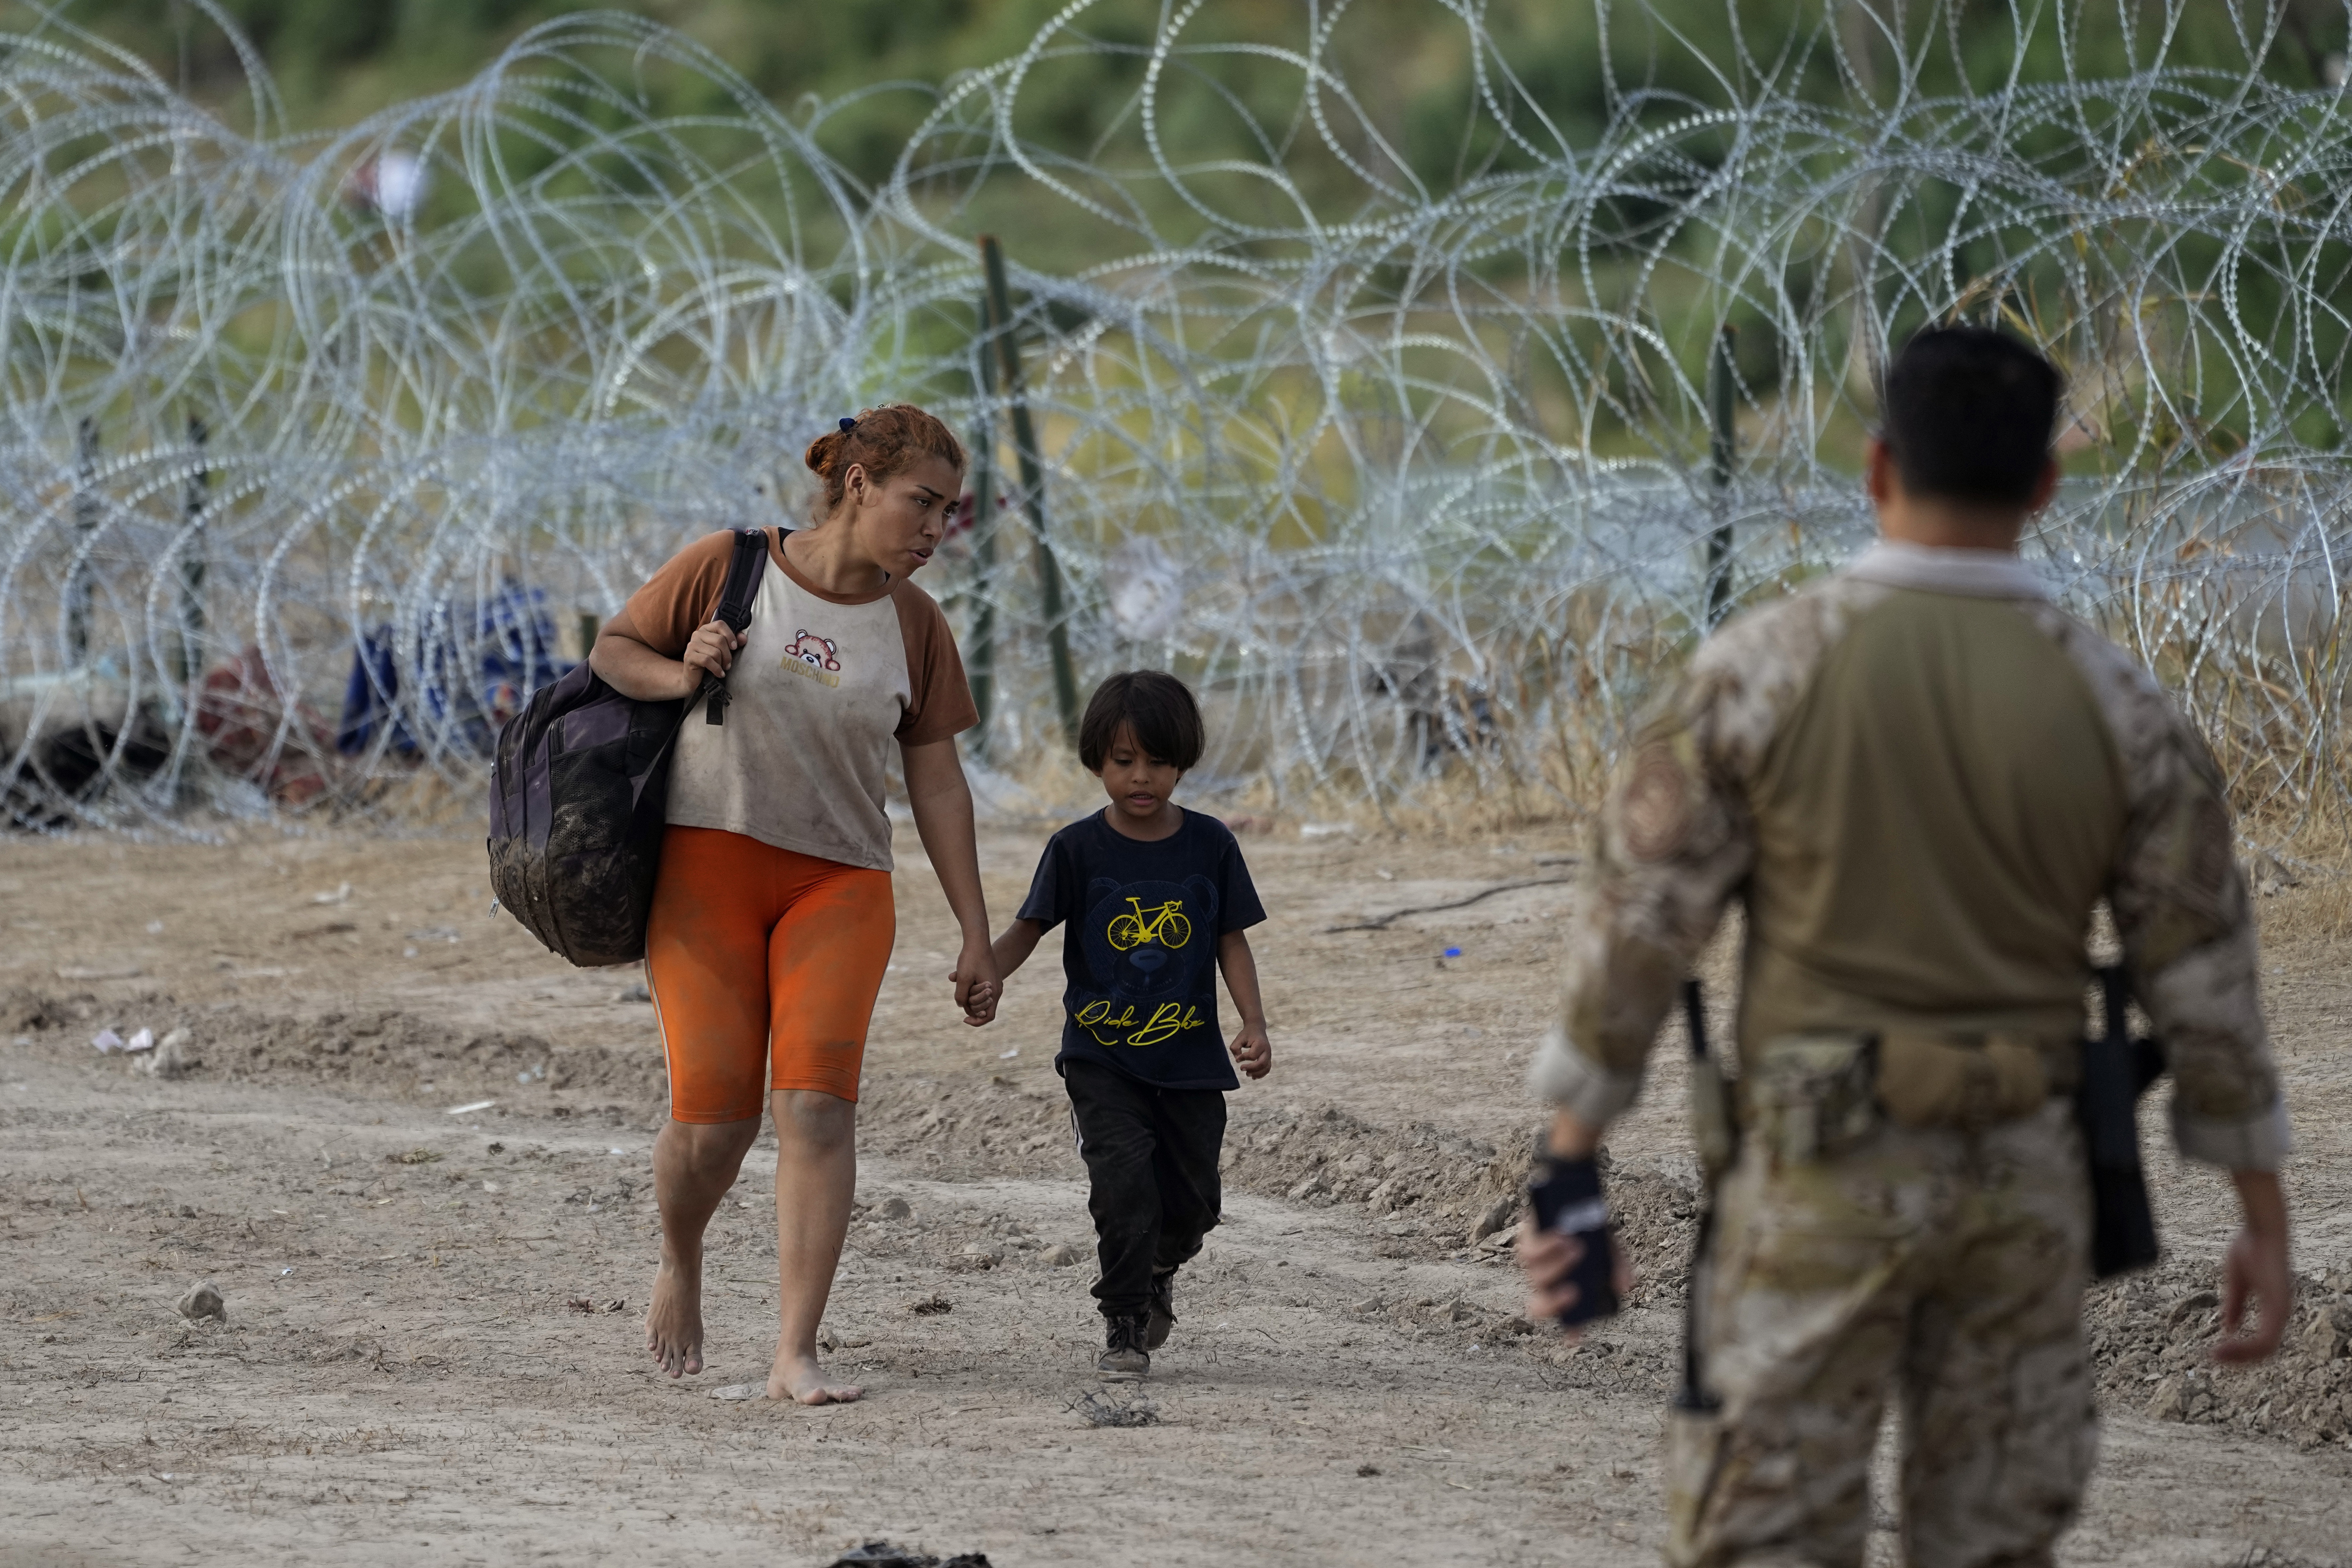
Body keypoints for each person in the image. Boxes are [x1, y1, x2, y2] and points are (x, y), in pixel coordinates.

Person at [1517, 327, 2295, 1567]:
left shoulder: (1757, 677)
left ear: (1877, 468)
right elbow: (2204, 979)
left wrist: (1569, 1172)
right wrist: (2260, 1209)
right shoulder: (2120, 706)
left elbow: (1637, 942)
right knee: (1993, 1542)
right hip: (2029, 1184)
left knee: (1761, 1533)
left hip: (1816, 1182)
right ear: (2045, 484)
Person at [589, 403, 1000, 1405]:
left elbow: (938, 782)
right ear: (858, 484)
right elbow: (613, 652)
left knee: (817, 1106)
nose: (936, 527)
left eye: (950, 510)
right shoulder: (732, 564)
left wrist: (977, 930)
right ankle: (682, 1256)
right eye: (922, 501)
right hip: (708, 872)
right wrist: (683, 667)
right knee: (715, 1122)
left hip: (840, 882)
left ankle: (794, 1350)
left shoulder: (916, 623)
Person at [984, 670, 1272, 1379]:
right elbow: (1030, 926)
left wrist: (1254, 1022)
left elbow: (1232, 938)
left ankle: (1162, 1263)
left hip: (1192, 1058)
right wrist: (987, 972)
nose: (1141, 777)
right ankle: (1124, 1323)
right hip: (1100, 1058)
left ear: (1183, 763)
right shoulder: (1077, 850)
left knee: (1195, 1200)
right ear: (1095, 762)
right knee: (1121, 1186)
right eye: (1123, 762)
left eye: (1158, 762)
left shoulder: (1209, 845)